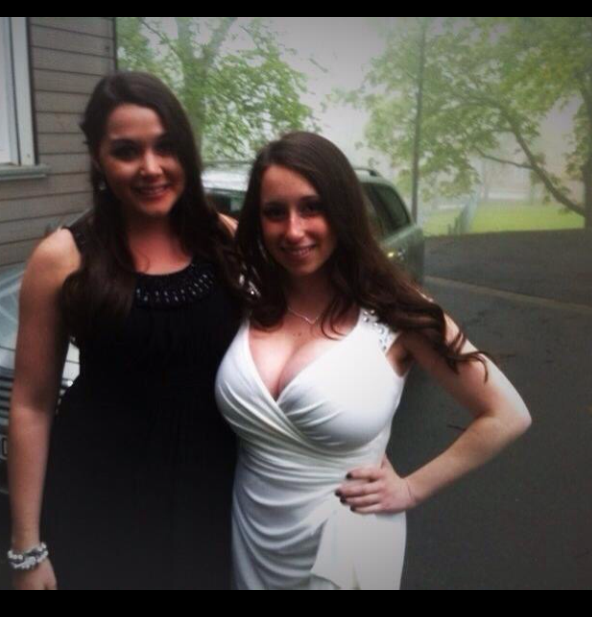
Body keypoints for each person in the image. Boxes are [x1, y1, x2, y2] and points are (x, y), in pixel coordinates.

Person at [215, 132, 532, 590]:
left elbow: (506, 414)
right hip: (252, 540)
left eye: (312, 207)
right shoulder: (248, 293)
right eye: (274, 212)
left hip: (346, 545)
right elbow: (189, 211)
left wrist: (411, 489)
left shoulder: (397, 312)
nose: (293, 230)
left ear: (343, 210)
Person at [7, 72, 244, 590]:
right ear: (98, 158)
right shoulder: (62, 258)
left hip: (210, 494)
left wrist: (359, 441)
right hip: (98, 500)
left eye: (166, 147)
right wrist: (27, 548)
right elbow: (31, 404)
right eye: (126, 151)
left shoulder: (226, 242)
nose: (151, 168)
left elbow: (307, 333)